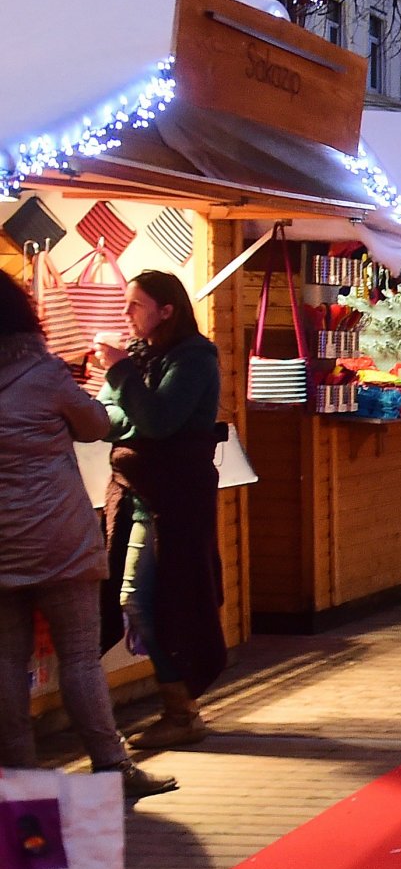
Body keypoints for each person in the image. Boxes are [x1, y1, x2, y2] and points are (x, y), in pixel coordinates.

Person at [0, 272, 174, 799]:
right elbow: (97, 424)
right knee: (78, 655)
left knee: (6, 659)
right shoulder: (45, 374)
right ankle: (111, 765)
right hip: (58, 538)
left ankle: (21, 774)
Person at [100, 270, 226, 753]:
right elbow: (110, 418)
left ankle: (182, 711)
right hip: (136, 495)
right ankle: (180, 709)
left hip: (174, 500)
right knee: (135, 598)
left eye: (135, 305)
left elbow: (156, 420)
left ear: (166, 309)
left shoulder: (194, 358)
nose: (126, 314)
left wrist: (122, 378)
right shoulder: (140, 357)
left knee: (149, 599)